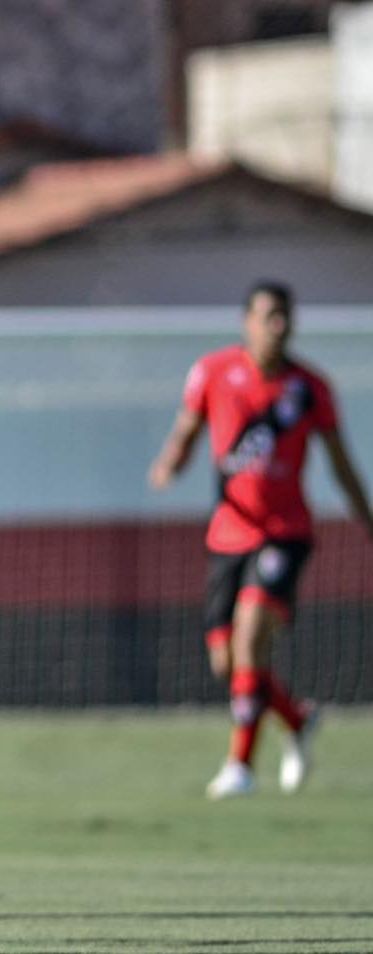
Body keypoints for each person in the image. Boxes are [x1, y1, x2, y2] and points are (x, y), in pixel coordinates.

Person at [149, 281, 373, 800]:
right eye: (269, 315)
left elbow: (341, 463)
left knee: (251, 638)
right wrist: (170, 465)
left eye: (286, 316)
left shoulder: (308, 387)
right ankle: (297, 719)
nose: (279, 325)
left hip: (286, 533)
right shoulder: (213, 371)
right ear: (246, 321)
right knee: (227, 662)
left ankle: (239, 766)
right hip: (228, 532)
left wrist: (366, 518)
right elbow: (187, 430)